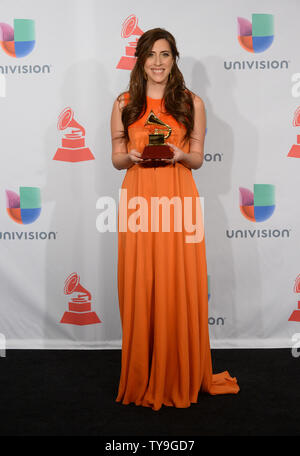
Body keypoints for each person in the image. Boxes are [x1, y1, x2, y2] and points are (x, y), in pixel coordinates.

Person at [111, 28, 239, 411]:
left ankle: (179, 371)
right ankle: (143, 373)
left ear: (174, 59)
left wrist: (181, 156)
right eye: (151, 55)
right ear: (140, 60)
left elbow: (197, 158)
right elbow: (116, 157)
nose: (158, 63)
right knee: (141, 282)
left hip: (179, 197)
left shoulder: (191, 102)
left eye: (165, 55)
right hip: (138, 200)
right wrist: (130, 157)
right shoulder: (123, 102)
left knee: (177, 281)